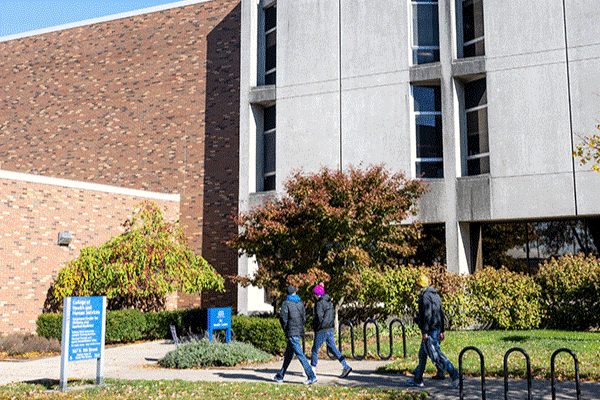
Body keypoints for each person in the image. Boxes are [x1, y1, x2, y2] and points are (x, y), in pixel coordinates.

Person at [406, 274, 459, 389]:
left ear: (420, 286)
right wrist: (442, 330)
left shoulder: (425, 297)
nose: (417, 289)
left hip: (429, 331)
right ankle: (420, 378)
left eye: (417, 286)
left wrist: (424, 332)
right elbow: (441, 314)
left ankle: (454, 374)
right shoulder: (436, 296)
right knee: (423, 354)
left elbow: (427, 316)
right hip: (436, 329)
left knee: (437, 355)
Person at [274, 285, 317, 385]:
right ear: (295, 292)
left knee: (300, 354)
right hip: (299, 331)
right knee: (288, 355)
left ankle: (311, 376)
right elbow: (304, 318)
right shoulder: (301, 303)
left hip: (291, 332)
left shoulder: (286, 303)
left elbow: (283, 319)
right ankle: (280, 376)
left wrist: (286, 330)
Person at [310, 284, 352, 378]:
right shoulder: (329, 302)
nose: (314, 296)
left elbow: (319, 318)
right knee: (333, 349)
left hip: (321, 329)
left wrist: (314, 324)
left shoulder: (319, 304)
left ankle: (312, 370)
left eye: (314, 294)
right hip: (330, 329)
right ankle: (345, 366)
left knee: (315, 350)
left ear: (317, 294)